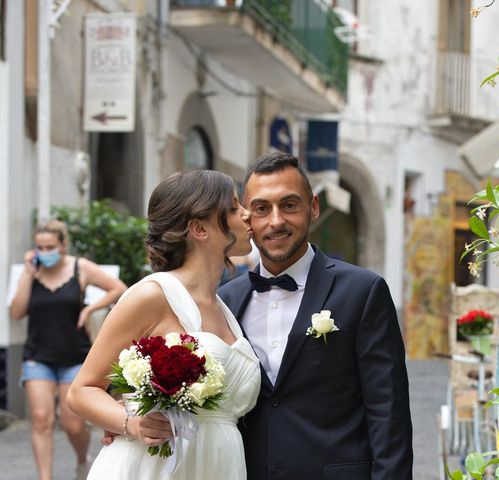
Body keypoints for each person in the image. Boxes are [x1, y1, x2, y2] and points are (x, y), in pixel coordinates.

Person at [218, 152, 413, 480]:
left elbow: (388, 413)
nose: (276, 221)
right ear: (247, 218)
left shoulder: (363, 292)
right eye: (262, 208)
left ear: (314, 207)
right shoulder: (227, 300)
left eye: (289, 205)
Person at [67, 170, 260, 479]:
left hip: (218, 464)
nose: (248, 215)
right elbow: (81, 391)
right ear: (200, 228)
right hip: (156, 466)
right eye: (235, 207)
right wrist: (129, 422)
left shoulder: (225, 306)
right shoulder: (152, 295)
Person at [9, 219, 127, 480]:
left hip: (75, 354)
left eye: (50, 245)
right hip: (37, 356)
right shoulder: (31, 273)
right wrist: (28, 275)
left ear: (63, 245)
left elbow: (119, 289)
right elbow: (16, 312)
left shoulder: (79, 267)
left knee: (73, 424)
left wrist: (89, 308)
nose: (44, 251)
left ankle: (81, 458)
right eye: (39, 246)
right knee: (41, 419)